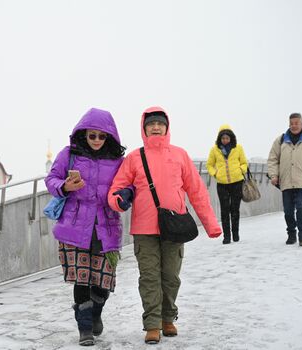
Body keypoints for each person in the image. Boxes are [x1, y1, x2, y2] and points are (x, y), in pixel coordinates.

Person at [108, 106, 222, 345]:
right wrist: (118, 200)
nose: (156, 127)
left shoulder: (180, 155)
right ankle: (152, 324)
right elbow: (117, 188)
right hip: (144, 229)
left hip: (174, 227)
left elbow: (196, 191)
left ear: (167, 127)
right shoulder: (134, 158)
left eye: (160, 124)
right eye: (151, 124)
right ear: (144, 128)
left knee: (171, 277)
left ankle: (168, 318)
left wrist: (211, 224)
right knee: (149, 278)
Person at [45, 107, 126, 346]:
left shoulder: (118, 161)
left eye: (102, 136)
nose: (97, 140)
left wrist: (125, 195)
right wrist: (65, 187)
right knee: (82, 279)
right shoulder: (69, 154)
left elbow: (129, 184)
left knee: (103, 282)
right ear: (84, 134)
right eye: (92, 136)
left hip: (106, 226)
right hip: (74, 226)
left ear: (109, 137)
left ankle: (95, 312)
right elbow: (51, 179)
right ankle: (85, 328)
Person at [267, 113, 302, 247]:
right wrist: (274, 175)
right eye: (291, 123)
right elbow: (272, 159)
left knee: (301, 207)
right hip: (286, 182)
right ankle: (291, 234)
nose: (294, 126)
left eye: (296, 123)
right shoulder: (281, 140)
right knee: (288, 211)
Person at [206, 125, 248, 244]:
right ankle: (227, 236)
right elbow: (209, 164)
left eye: (227, 138)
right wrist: (216, 173)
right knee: (224, 210)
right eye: (223, 138)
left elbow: (244, 163)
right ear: (220, 138)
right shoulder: (215, 149)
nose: (225, 140)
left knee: (235, 210)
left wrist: (241, 170)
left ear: (231, 137)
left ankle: (235, 234)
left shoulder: (238, 148)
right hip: (222, 184)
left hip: (237, 182)